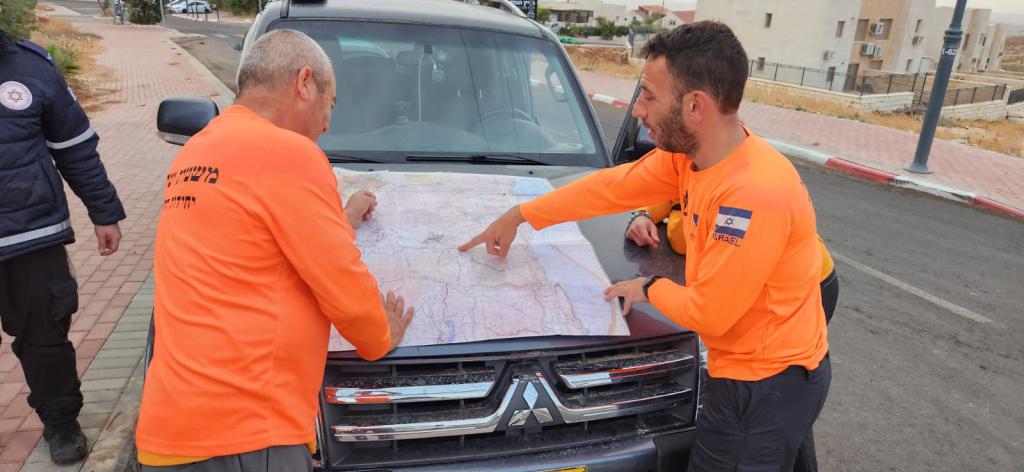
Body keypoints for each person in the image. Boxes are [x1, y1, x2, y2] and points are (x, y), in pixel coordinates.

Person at [461, 22, 830, 471]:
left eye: (650, 96)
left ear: (695, 106)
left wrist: (648, 287)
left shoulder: (752, 192)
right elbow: (611, 187)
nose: (637, 109)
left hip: (762, 385)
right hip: (754, 370)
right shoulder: (694, 158)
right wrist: (522, 215)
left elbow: (711, 313)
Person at [135, 29, 413, 471]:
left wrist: (342, 218)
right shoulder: (287, 152)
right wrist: (381, 337)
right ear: (304, 83)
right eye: (330, 104)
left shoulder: (198, 150)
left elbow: (252, 244)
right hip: (244, 436)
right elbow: (343, 283)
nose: (327, 124)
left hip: (172, 431)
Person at [627, 196, 839, 472]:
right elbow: (665, 191)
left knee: (773, 390)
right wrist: (644, 213)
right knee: (782, 405)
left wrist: (675, 220)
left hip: (805, 285)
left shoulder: (739, 187)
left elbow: (688, 237)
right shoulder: (691, 174)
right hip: (786, 280)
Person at [0, 16, 125, 466]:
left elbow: (74, 147)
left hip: (30, 234)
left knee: (46, 337)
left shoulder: (30, 67)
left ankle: (60, 422)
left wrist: (104, 211)